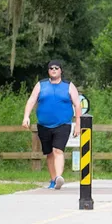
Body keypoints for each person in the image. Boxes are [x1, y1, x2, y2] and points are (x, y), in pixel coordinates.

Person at [22, 60, 82, 190]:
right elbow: (32, 100)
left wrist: (78, 124)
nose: (53, 70)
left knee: (58, 150)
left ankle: (59, 177)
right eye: (51, 68)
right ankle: (53, 179)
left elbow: (77, 104)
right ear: (48, 71)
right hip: (44, 125)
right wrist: (26, 117)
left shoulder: (68, 86)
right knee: (49, 153)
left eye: (56, 68)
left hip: (63, 124)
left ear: (61, 70)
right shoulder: (41, 85)